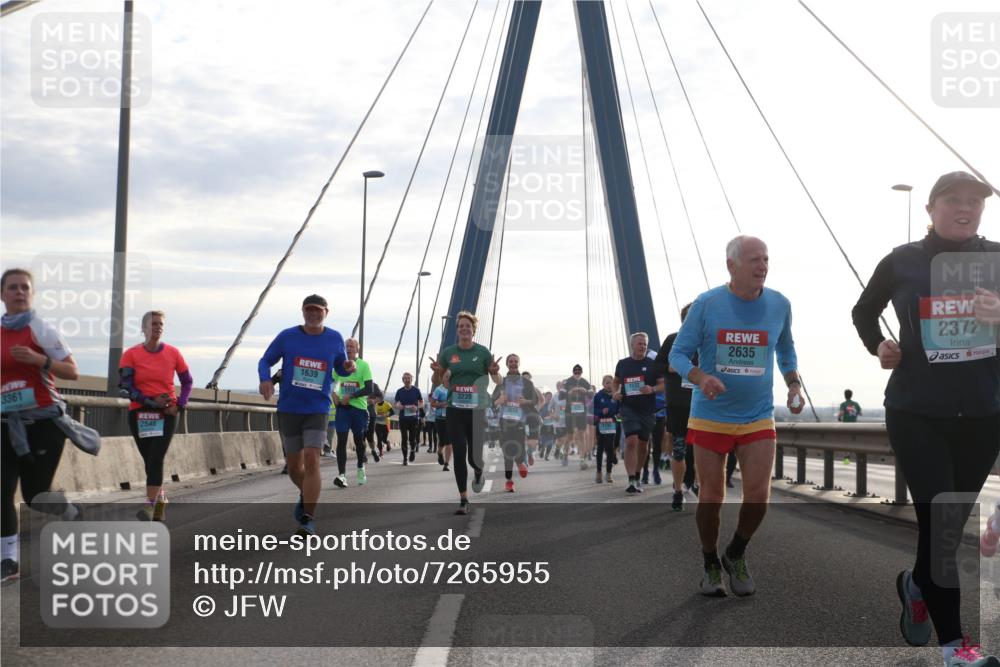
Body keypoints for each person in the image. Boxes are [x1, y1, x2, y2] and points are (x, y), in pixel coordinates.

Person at [851, 171, 999, 666]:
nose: (966, 209)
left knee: (948, 527)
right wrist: (880, 345)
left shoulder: (998, 258)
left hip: (983, 414)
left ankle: (916, 584)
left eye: (975, 203)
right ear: (931, 208)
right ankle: (956, 648)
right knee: (941, 527)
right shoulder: (902, 260)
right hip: (917, 412)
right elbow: (863, 311)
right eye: (954, 201)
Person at [669, 235, 803, 598]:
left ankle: (736, 552)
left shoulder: (779, 304)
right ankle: (710, 561)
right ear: (731, 266)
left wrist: (793, 384)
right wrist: (700, 377)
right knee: (712, 497)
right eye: (754, 260)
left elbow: (786, 349)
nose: (763, 266)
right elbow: (678, 355)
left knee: (758, 497)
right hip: (711, 415)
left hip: (758, 416)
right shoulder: (707, 304)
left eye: (766, 259)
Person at [1, 268, 97, 583]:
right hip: (7, 423)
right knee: (1, 493)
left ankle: (69, 512)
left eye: (24, 287)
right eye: (12, 287)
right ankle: (8, 561)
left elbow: (72, 371)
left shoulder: (42, 330)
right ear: (3, 294)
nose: (19, 292)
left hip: (43, 421)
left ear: (31, 293)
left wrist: (38, 360)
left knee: (34, 495)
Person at [259, 294, 354, 536]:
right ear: (302, 311)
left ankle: (308, 519)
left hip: (317, 408)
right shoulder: (287, 336)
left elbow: (341, 365)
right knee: (293, 467)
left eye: (318, 310)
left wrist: (347, 366)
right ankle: (307, 494)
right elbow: (265, 361)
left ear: (326, 312)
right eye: (309, 310)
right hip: (290, 408)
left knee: (312, 457)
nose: (313, 314)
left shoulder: (334, 338)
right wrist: (265, 380)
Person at [119, 310, 193, 521]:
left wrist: (180, 404)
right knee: (149, 459)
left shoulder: (173, 353)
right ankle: (160, 498)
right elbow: (125, 387)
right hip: (140, 413)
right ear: (143, 328)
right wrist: (151, 402)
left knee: (156, 457)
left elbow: (187, 381)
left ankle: (149, 506)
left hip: (167, 413)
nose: (157, 327)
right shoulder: (131, 354)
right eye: (153, 324)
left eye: (160, 324)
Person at [429, 311, 501, 515]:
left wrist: (495, 372)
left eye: (467, 326)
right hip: (455, 410)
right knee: (459, 454)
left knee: (473, 457)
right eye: (460, 326)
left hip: (477, 411)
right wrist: (436, 370)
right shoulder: (448, 353)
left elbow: (498, 382)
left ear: (473, 329)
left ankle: (478, 471)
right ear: (457, 330)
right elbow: (437, 381)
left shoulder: (483, 352)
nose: (463, 328)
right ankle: (463, 499)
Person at [656, 303, 699, 511]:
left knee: (701, 450)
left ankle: (695, 482)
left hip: (703, 404)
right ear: (684, 318)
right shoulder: (673, 339)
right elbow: (658, 365)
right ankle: (678, 491)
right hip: (678, 404)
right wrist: (671, 368)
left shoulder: (708, 339)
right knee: (680, 450)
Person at [613, 333, 665, 494]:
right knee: (631, 441)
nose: (643, 346)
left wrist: (652, 389)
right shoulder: (622, 364)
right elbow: (616, 381)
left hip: (647, 410)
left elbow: (663, 385)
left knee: (643, 445)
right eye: (640, 344)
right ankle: (630, 480)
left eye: (645, 344)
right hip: (628, 408)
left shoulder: (653, 364)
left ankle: (637, 474)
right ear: (632, 345)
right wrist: (615, 393)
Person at [491, 354, 539, 492]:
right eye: (510, 361)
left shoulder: (527, 383)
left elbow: (535, 400)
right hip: (504, 420)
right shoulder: (502, 382)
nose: (513, 363)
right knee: (507, 451)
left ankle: (520, 462)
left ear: (519, 363)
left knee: (518, 446)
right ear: (507, 364)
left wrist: (525, 402)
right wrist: (499, 400)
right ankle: (509, 481)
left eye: (515, 361)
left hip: (520, 420)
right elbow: (492, 402)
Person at [331, 338, 374, 487]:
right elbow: (335, 382)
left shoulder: (363, 366)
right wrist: (334, 393)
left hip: (359, 409)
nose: (348, 348)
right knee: (341, 441)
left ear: (357, 349)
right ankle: (342, 475)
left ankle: (360, 467)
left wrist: (352, 396)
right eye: (346, 346)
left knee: (359, 442)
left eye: (351, 346)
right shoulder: (339, 365)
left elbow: (369, 389)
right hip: (343, 409)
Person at [592, 375, 620, 483]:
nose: (609, 385)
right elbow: (593, 410)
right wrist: (601, 412)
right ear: (603, 384)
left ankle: (609, 473)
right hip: (601, 423)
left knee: (610, 449)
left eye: (611, 382)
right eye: (607, 383)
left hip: (612, 423)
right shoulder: (598, 395)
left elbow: (618, 408)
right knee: (600, 448)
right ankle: (598, 472)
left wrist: (618, 413)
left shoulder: (615, 395)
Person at [563, 365, 591, 468]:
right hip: (570, 412)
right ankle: (565, 454)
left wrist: (587, 391)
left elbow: (592, 394)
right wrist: (569, 392)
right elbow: (561, 395)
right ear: (573, 371)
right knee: (570, 436)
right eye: (576, 371)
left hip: (581, 412)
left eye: (579, 371)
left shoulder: (585, 382)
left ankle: (582, 459)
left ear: (582, 372)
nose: (577, 373)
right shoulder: (568, 382)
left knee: (581, 435)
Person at [393, 372, 423, 465]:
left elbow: (422, 402)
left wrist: (417, 407)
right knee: (404, 438)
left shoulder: (416, 390)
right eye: (405, 378)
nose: (407, 380)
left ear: (411, 380)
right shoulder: (399, 391)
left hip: (413, 418)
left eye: (408, 378)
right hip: (403, 418)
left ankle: (413, 451)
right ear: (403, 380)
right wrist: (399, 406)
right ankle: (405, 458)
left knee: (412, 438)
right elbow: (395, 404)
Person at [430, 380, 451, 471]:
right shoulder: (439, 389)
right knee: (442, 441)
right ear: (443, 378)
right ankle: (439, 453)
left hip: (452, 419)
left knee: (449, 441)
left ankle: (446, 463)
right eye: (446, 376)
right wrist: (443, 404)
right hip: (440, 418)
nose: (448, 378)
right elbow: (432, 404)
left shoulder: (455, 388)